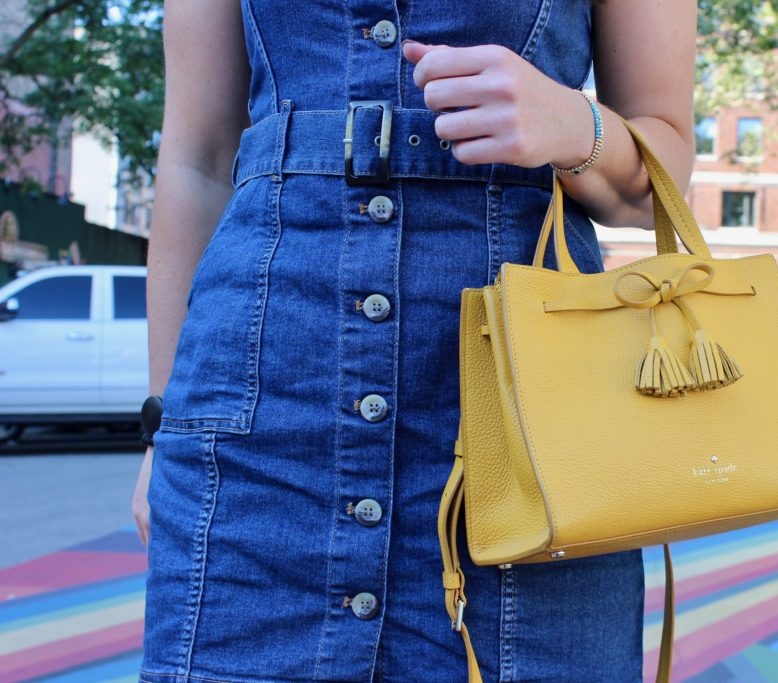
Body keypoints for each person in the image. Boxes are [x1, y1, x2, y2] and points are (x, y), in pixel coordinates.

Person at [132, 1, 696, 680]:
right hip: (262, 413)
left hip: (528, 430)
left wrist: (578, 125)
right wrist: (163, 424)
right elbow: (198, 160)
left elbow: (665, 168)